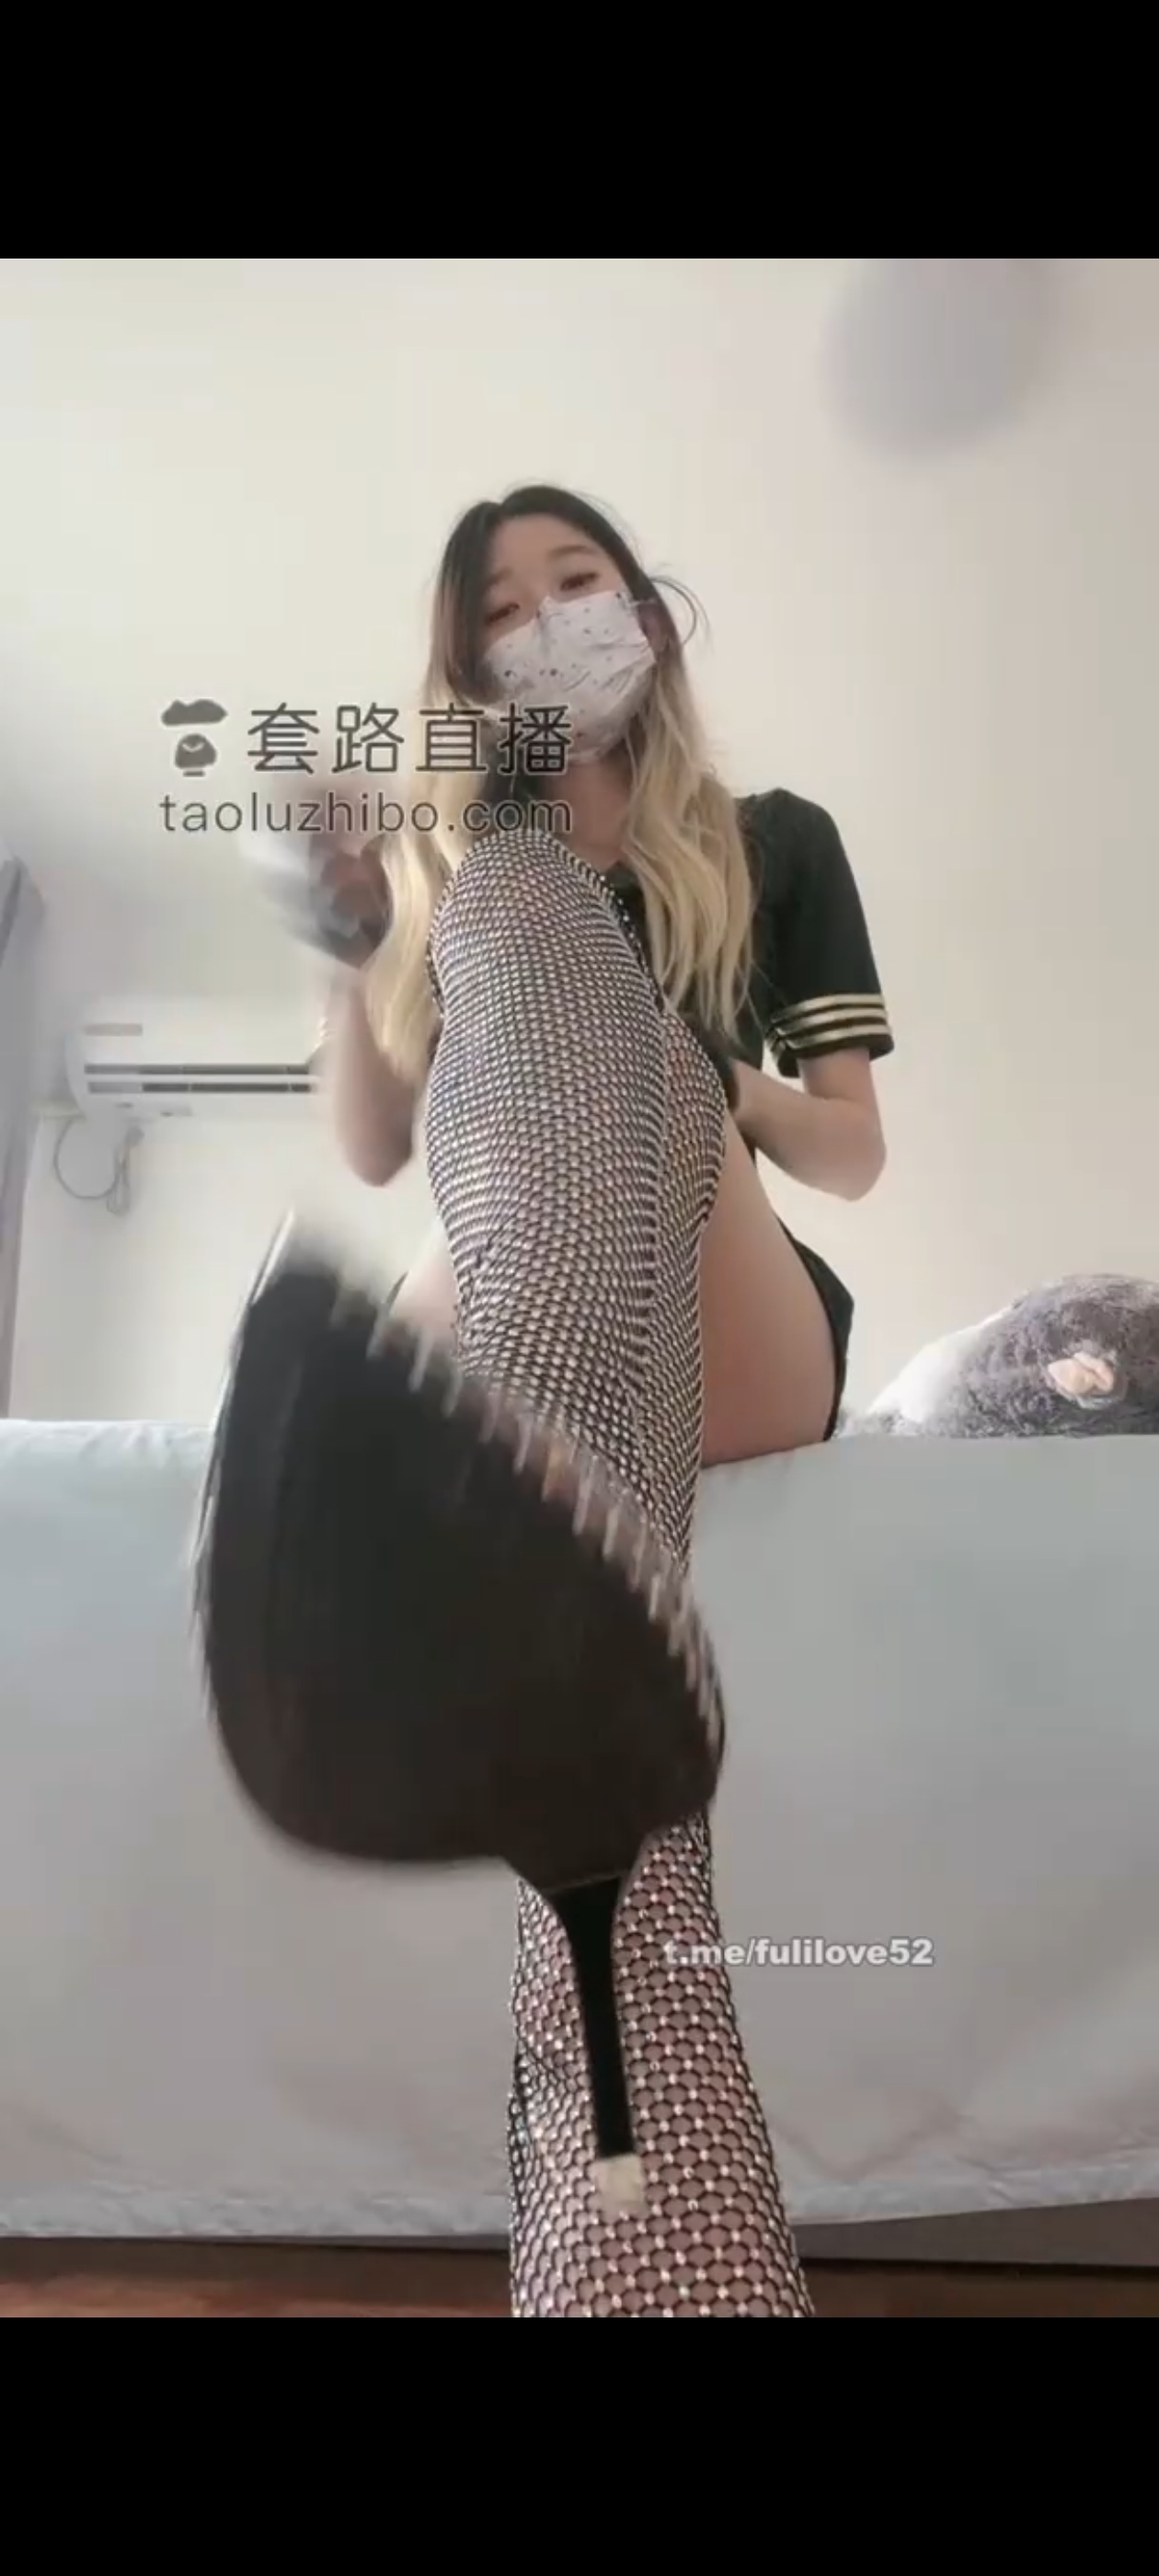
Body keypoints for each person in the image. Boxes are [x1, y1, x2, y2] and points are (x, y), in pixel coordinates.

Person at [310, 482, 893, 2317]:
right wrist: (345, 947)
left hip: (735, 1319)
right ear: (467, 663)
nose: (544, 617)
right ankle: (642, 2122)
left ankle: (427, 1521)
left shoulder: (775, 840)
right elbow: (378, 1150)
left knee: (594, 1021)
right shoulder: (444, 874)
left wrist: (696, 1070)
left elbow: (853, 1152)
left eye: (578, 579)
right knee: (508, 934)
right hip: (520, 1285)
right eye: (501, 606)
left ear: (645, 610)